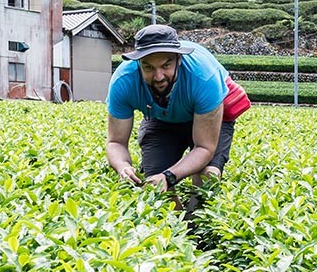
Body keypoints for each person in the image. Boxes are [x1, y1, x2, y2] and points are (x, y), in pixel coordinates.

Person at [106, 24, 250, 194]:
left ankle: (195, 218)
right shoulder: (123, 81)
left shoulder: (204, 77)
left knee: (207, 176)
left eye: (166, 66)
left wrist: (169, 176)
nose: (158, 77)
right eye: (149, 68)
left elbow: (204, 148)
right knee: (154, 184)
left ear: (179, 60)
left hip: (207, 116)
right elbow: (116, 142)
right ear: (138, 64)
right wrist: (123, 167)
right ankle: (176, 219)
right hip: (162, 118)